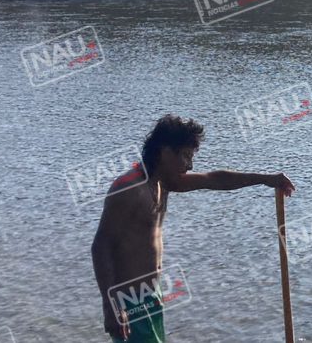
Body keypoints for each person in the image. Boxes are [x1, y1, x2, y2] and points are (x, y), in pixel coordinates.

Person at [92, 115, 295, 343]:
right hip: (129, 301)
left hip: (151, 296)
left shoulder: (164, 182)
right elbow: (101, 246)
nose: (190, 165)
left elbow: (214, 180)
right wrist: (111, 308)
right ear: (165, 152)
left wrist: (267, 179)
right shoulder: (129, 188)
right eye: (186, 156)